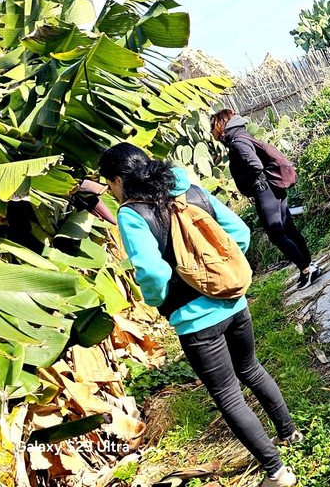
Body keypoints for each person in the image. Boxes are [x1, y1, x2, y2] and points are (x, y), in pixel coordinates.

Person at [98, 143, 300, 487]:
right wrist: (218, 271)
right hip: (234, 303)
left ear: (119, 180)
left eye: (110, 184)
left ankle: (277, 472)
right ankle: (289, 433)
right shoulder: (190, 190)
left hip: (195, 322)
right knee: (250, 368)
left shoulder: (132, 214)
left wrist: (161, 302)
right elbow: (240, 234)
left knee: (228, 395)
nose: (111, 192)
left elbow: (153, 272)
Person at [209, 109, 321, 290]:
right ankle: (307, 267)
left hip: (264, 190)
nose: (212, 132)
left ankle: (307, 269)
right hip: (272, 187)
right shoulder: (241, 135)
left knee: (276, 234)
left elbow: (255, 165)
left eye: (213, 127)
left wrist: (248, 184)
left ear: (221, 125)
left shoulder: (237, 141)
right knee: (289, 228)